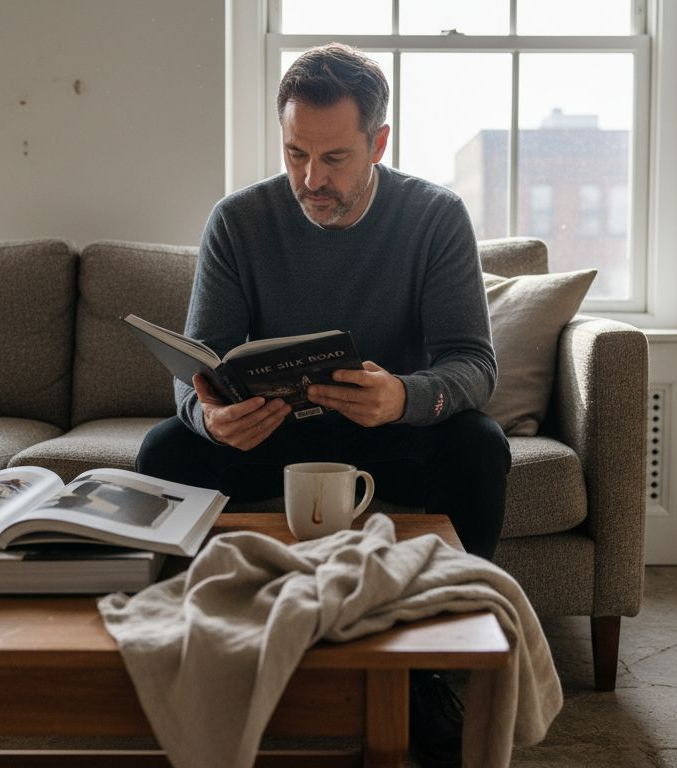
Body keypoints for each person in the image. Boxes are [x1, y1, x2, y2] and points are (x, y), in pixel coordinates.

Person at [136, 42, 510, 767]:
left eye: (334, 158)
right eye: (295, 154)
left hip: (386, 435)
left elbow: (474, 364)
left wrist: (405, 395)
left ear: (378, 142)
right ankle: (201, 642)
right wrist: (210, 416)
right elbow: (193, 371)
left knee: (480, 445)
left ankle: (430, 668)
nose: (312, 179)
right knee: (164, 450)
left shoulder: (434, 217)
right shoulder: (238, 221)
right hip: (273, 442)